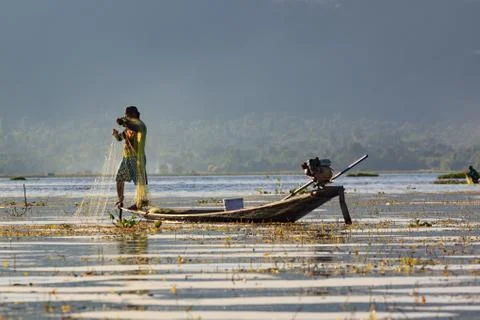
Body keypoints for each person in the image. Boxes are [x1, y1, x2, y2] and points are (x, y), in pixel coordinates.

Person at [112, 106, 148, 210]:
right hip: (126, 157)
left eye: (127, 115)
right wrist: (115, 135)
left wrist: (122, 122)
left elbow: (132, 127)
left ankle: (140, 203)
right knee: (119, 178)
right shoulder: (128, 129)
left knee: (139, 182)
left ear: (133, 115)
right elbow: (120, 138)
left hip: (137, 158)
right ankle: (120, 199)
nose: (126, 117)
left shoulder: (140, 126)